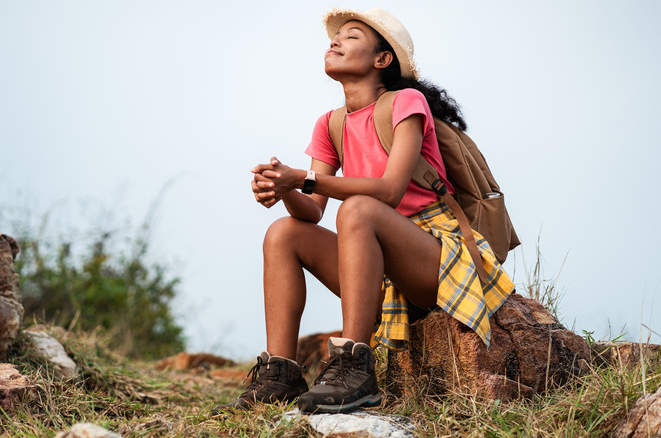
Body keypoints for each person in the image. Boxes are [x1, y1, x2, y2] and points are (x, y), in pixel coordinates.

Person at [219, 7, 515, 415]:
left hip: (430, 255)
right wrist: (284, 187)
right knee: (283, 232)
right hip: (373, 262)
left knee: (360, 208)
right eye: (334, 37)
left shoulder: (406, 103)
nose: (335, 41)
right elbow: (311, 212)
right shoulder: (330, 124)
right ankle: (279, 375)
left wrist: (301, 178)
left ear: (382, 59)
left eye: (351, 36)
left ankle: (354, 368)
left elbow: (390, 191)